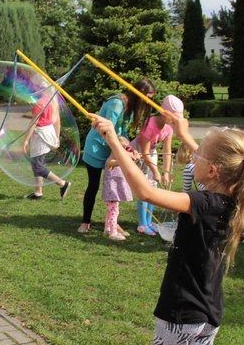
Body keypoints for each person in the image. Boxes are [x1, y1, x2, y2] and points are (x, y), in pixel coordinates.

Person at [91, 113, 244, 345]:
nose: (191, 156)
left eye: (197, 155)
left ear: (211, 170)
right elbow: (221, 162)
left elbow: (146, 193)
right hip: (209, 314)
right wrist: (184, 133)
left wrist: (114, 140)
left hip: (180, 314)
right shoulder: (234, 201)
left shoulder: (203, 203)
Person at [79, 78, 156, 234]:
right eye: (147, 98)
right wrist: (124, 153)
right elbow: (106, 132)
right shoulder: (116, 104)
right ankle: (85, 222)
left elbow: (121, 133)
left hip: (112, 150)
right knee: (93, 186)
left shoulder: (130, 107)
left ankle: (113, 223)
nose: (148, 103)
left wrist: (129, 148)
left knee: (115, 188)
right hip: (96, 148)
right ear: (139, 93)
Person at [132, 95, 185, 236]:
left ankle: (149, 222)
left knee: (153, 187)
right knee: (144, 186)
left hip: (151, 154)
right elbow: (144, 151)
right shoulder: (149, 124)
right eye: (172, 116)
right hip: (138, 154)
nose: (173, 120)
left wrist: (166, 172)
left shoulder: (168, 127)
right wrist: (155, 171)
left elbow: (167, 151)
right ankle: (142, 224)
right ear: (162, 111)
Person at [22, 90, 71, 200]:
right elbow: (57, 120)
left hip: (40, 135)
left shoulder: (40, 104)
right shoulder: (52, 101)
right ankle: (38, 193)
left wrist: (26, 140)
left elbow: (34, 123)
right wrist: (56, 137)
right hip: (48, 133)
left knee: (38, 165)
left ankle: (62, 183)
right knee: (36, 163)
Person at [102, 136, 139, 241]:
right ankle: (113, 233)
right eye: (123, 149)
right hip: (111, 193)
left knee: (111, 211)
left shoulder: (117, 160)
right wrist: (132, 157)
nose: (125, 151)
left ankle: (107, 229)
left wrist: (133, 156)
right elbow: (122, 162)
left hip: (114, 192)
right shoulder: (111, 161)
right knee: (114, 212)